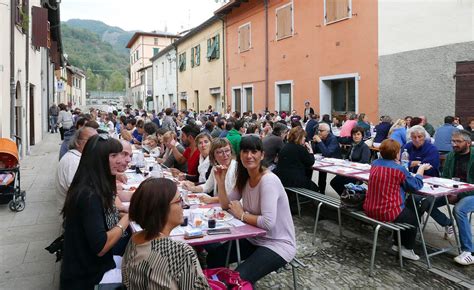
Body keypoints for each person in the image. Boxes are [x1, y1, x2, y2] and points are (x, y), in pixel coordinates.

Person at [206, 136, 296, 284]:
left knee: (236, 280)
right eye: (245, 151)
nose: (249, 156)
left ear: (262, 155)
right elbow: (225, 205)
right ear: (240, 154)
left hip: (278, 244)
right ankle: (216, 285)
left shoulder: (268, 181)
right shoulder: (244, 177)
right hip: (254, 238)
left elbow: (268, 223)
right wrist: (220, 182)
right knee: (214, 257)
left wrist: (241, 214)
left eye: (254, 151)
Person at [60, 135, 130, 289]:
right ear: (99, 160)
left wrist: (119, 211)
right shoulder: (89, 195)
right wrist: (127, 219)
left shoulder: (90, 185)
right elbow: (101, 246)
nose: (120, 160)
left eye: (120, 154)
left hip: (86, 267)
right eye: (113, 156)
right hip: (88, 277)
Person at [122, 178, 210, 289]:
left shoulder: (134, 239)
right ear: (161, 209)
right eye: (179, 201)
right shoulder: (180, 251)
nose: (184, 205)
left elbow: (126, 282)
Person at [363, 139, 432, 261]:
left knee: (408, 207)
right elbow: (416, 185)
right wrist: (421, 170)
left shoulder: (375, 164)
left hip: (369, 207)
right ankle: (407, 248)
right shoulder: (399, 169)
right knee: (414, 215)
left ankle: (397, 243)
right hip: (387, 212)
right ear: (396, 154)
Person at [442, 130, 474, 265]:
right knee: (425, 201)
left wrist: (458, 195)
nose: (454, 144)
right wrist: (447, 191)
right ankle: (447, 223)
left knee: (459, 209)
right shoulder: (451, 156)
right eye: (453, 141)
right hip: (453, 190)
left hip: (471, 193)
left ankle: (469, 251)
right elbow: (444, 177)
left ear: (468, 143)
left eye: (458, 141)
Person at [56, 127, 98, 215]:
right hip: (74, 215)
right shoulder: (73, 161)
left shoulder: (80, 157)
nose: (96, 144)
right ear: (77, 142)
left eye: (97, 140)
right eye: (90, 140)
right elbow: (82, 194)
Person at [275, 127, 319, 209]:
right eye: (303, 137)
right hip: (293, 181)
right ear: (299, 138)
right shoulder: (300, 149)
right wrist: (311, 151)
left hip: (282, 178)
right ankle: (310, 207)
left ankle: (295, 202)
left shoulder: (285, 146)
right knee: (316, 188)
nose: (305, 139)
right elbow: (310, 162)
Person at [183, 138, 237, 204]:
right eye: (220, 152)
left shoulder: (236, 168)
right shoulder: (216, 167)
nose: (225, 155)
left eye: (227, 150)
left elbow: (233, 197)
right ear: (213, 155)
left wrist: (212, 199)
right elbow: (207, 186)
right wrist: (192, 188)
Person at [330, 127, 371, 195]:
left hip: (357, 173)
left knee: (338, 183)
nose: (356, 136)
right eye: (354, 134)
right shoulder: (353, 145)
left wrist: (351, 165)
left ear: (362, 136)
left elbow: (364, 162)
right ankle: (345, 196)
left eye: (358, 134)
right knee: (334, 182)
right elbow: (347, 158)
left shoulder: (364, 147)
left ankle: (347, 197)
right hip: (348, 171)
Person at [312, 123, 342, 193]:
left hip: (335, 162)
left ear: (327, 132)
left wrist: (319, 141)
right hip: (325, 161)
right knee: (321, 172)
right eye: (318, 130)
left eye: (321, 131)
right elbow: (316, 151)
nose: (319, 132)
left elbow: (327, 153)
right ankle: (321, 191)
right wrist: (315, 143)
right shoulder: (322, 137)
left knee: (323, 173)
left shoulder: (333, 139)